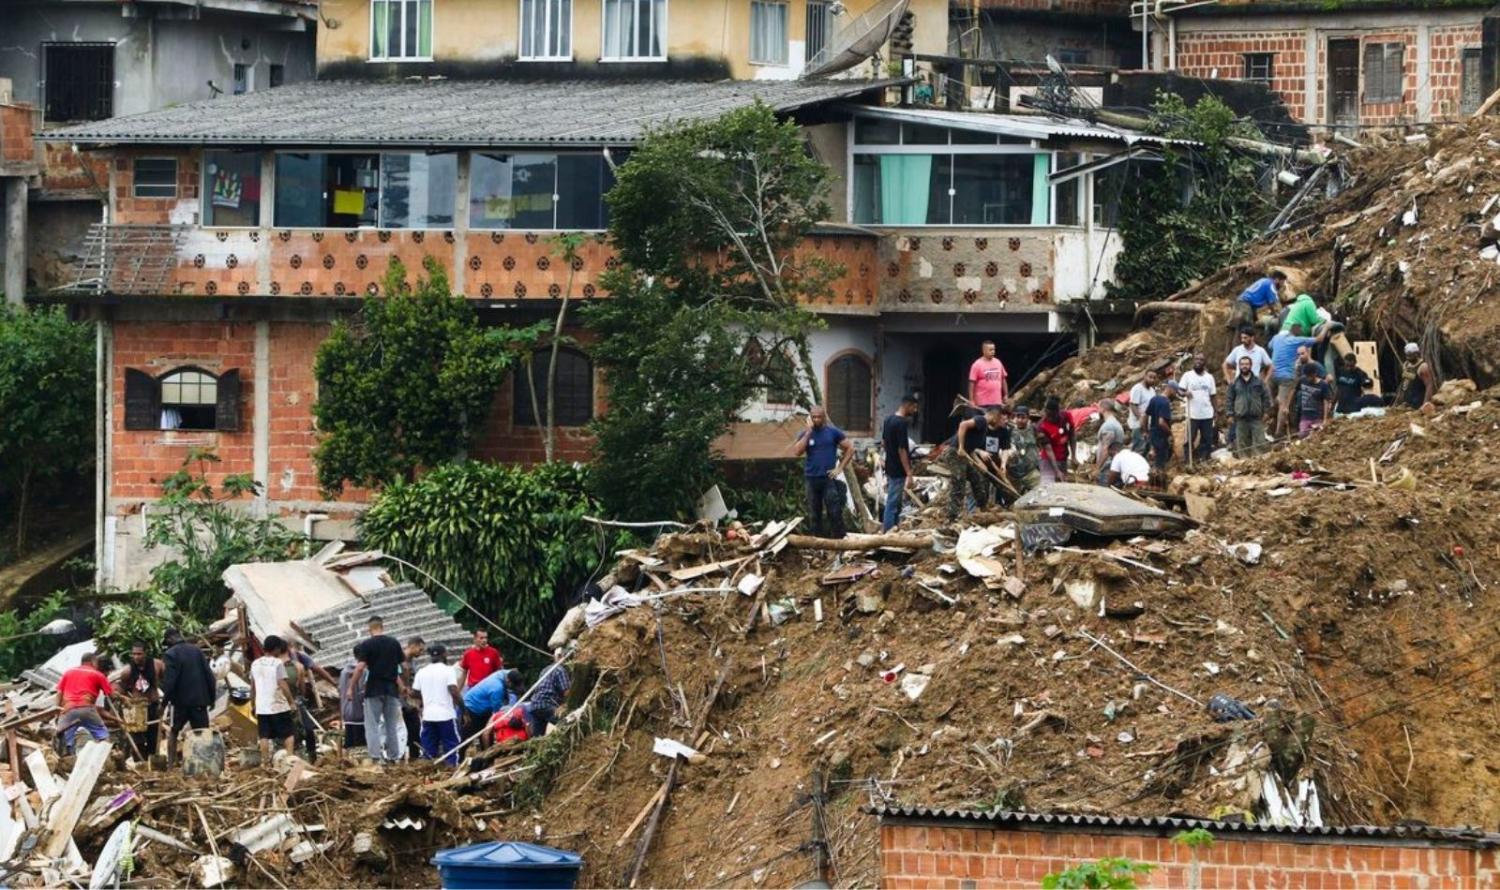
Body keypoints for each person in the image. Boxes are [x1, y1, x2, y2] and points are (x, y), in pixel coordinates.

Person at [345, 616, 406, 764]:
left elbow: (360, 667)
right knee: (391, 725)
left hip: (373, 689)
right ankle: (393, 757)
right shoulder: (394, 643)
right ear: (382, 626)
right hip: (391, 690)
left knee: (372, 725)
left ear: (369, 629)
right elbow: (403, 666)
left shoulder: (367, 644)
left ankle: (376, 758)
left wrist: (351, 687)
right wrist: (403, 686)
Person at [790, 406, 853, 539]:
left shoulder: (833, 432)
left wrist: (839, 468)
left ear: (824, 418)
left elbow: (850, 448)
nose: (816, 420)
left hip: (828, 478)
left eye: (819, 417)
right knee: (814, 513)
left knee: (834, 511)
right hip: (811, 479)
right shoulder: (805, 434)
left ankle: (839, 539)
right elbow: (797, 452)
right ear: (810, 418)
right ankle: (817, 541)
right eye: (814, 417)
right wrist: (808, 432)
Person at [161, 628, 215, 765]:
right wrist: (212, 698)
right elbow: (209, 675)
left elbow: (170, 682)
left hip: (180, 703)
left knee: (174, 731)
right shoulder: (197, 651)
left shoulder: (170, 654)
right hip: (199, 701)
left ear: (169, 640)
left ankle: (171, 764)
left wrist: (163, 704)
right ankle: (206, 764)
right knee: (203, 733)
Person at [1268, 323, 1329, 437]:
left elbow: (1270, 346)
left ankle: (1273, 413)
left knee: (1276, 401)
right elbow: (1320, 339)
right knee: (1284, 405)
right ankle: (1278, 433)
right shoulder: (1297, 340)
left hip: (1272, 374)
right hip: (1286, 377)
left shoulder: (1277, 338)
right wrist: (1327, 326)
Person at [950, 406, 1009, 519]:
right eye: (999, 419)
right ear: (995, 416)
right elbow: (963, 425)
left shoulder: (984, 429)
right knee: (959, 483)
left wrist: (980, 463)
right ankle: (952, 516)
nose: (998, 422)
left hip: (966, 455)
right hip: (954, 454)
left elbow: (971, 449)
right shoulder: (982, 420)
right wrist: (961, 447)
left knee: (977, 480)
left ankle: (983, 508)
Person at [110, 641, 163, 760]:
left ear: (146, 653)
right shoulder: (127, 671)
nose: (136, 657)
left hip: (153, 705)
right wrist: (116, 694)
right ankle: (140, 761)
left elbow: (167, 681)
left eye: (139, 654)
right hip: (137, 708)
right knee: (137, 738)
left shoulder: (157, 665)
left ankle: (152, 761)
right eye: (134, 654)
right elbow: (122, 689)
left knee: (153, 737)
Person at [411, 644, 463, 766]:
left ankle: (427, 772)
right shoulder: (448, 670)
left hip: (428, 716)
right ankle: (451, 770)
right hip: (446, 716)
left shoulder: (422, 671)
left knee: (428, 749)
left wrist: (426, 697)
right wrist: (464, 710)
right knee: (451, 747)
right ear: (444, 654)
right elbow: (453, 690)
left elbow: (414, 692)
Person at [250, 636, 297, 760]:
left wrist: (253, 704)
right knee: (288, 733)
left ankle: (265, 762)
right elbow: (282, 683)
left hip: (262, 706)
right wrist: (291, 702)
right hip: (278, 705)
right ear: (276, 649)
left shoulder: (255, 663)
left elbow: (253, 687)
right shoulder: (277, 663)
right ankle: (289, 759)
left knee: (264, 735)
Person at [57, 652, 113, 753]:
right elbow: (111, 694)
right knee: (102, 734)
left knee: (66, 739)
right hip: (86, 707)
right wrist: (123, 698)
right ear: (93, 662)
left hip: (68, 709)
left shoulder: (68, 672)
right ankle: (105, 755)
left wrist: (57, 710)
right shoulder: (98, 674)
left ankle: (68, 757)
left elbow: (59, 692)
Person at [880, 394, 919, 531]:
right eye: (914, 407)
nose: (915, 410)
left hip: (890, 466)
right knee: (893, 501)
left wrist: (889, 457)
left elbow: (884, 443)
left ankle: (894, 527)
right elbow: (902, 449)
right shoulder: (901, 423)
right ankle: (888, 530)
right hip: (898, 469)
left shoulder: (888, 420)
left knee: (895, 501)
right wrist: (909, 472)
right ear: (907, 405)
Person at [1227, 356, 1271, 457]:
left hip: (1256, 417)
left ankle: (1259, 461)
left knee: (1260, 442)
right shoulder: (1234, 383)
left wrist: (1266, 412)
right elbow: (1229, 399)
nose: (1244, 366)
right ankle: (1244, 462)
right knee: (1242, 444)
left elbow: (1266, 397)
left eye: (1246, 364)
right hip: (1241, 418)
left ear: (1251, 365)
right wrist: (1230, 414)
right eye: (1242, 364)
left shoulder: (1258, 382)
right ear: (1239, 366)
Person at [461, 667, 517, 743]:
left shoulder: (505, 673)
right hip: (472, 708)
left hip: (482, 707)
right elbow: (496, 713)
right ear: (509, 682)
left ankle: (486, 748)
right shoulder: (497, 688)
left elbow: (514, 671)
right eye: (513, 687)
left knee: (487, 735)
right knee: (468, 737)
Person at [1179, 354, 1218, 462]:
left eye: (1201, 359)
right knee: (1189, 439)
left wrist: (1215, 411)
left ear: (1204, 362)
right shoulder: (1187, 376)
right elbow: (1180, 390)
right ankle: (1188, 460)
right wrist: (1185, 393)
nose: (1198, 361)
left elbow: (1213, 395)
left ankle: (1203, 459)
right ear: (1194, 361)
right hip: (1192, 414)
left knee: (1207, 439)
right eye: (1197, 359)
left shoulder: (1209, 377)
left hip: (1207, 414)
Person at [527, 653, 572, 739]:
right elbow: (566, 692)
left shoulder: (545, 669)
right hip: (547, 703)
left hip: (534, 705)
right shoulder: (560, 670)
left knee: (537, 738)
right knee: (567, 724)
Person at [1230, 269, 1287, 336]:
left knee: (1251, 324)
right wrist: (1277, 315)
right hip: (1245, 304)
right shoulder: (1271, 285)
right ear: (1277, 280)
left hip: (1244, 302)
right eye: (1282, 282)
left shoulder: (1264, 280)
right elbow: (1273, 304)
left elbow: (1269, 302)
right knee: (1245, 329)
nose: (1282, 285)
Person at [1001, 405, 1041, 495]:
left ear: (1028, 418)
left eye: (1023, 417)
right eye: (1018, 417)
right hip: (1013, 473)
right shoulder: (1009, 431)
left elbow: (1041, 444)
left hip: (1030, 471)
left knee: (1040, 492)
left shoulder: (1033, 429)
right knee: (1013, 498)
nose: (1020, 420)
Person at [1036, 396, 1075, 484]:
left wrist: (1073, 456)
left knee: (1062, 486)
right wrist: (1057, 471)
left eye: (1053, 416)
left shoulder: (1066, 416)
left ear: (1058, 412)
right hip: (1048, 461)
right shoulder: (1041, 427)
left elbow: (1072, 435)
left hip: (1063, 458)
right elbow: (1049, 450)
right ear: (1046, 412)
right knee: (1047, 486)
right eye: (1048, 416)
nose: (1050, 418)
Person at [400, 636, 427, 760]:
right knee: (402, 733)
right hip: (400, 702)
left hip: (410, 703)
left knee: (414, 731)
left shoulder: (412, 662)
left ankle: (414, 758)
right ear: (412, 646)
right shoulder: (399, 660)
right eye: (420, 650)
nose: (421, 653)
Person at [1144, 382, 1179, 472]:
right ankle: (1157, 477)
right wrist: (1170, 432)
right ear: (1171, 389)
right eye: (1175, 391)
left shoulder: (1154, 399)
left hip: (1153, 433)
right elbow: (1161, 422)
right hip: (1161, 436)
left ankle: (1150, 475)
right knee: (1160, 463)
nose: (1175, 394)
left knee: (1152, 458)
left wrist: (1145, 430)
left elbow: (1145, 415)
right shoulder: (1165, 402)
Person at [1296, 360, 1334, 437]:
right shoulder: (1302, 380)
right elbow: (1293, 390)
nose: (1308, 378)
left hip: (1317, 417)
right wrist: (1286, 405)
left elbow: (1326, 402)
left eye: (1309, 376)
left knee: (1316, 436)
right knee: (1302, 435)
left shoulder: (1323, 385)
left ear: (1315, 374)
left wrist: (1325, 419)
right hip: (1305, 416)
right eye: (1306, 376)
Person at [968, 340, 1008, 409]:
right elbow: (971, 383)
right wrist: (971, 400)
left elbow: (1003, 379)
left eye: (994, 349)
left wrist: (1006, 394)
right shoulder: (977, 364)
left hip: (996, 401)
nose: (993, 352)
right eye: (990, 350)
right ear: (984, 351)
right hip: (982, 402)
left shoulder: (998, 362)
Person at [1396, 342, 1436, 410]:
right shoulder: (1406, 365)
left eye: (1410, 356)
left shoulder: (1423, 367)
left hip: (1417, 403)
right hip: (1407, 403)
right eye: (1407, 356)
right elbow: (1404, 383)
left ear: (1416, 354)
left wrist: (1424, 404)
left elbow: (1429, 385)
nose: (1408, 358)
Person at [1126, 370, 1159, 455]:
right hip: (1138, 424)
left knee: (1146, 448)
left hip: (1148, 424)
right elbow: (1133, 405)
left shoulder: (1152, 390)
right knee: (1138, 448)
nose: (1152, 380)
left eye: (1154, 378)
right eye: (1150, 377)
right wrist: (1140, 418)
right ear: (1144, 376)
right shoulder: (1138, 388)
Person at [338, 656, 366, 751]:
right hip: (361, 714)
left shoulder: (343, 673)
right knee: (361, 746)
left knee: (350, 743)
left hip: (347, 714)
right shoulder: (363, 671)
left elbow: (341, 690)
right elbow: (363, 690)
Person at [1094, 401, 1126, 485]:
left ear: (1103, 409)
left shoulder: (1108, 426)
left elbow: (1105, 450)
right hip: (1114, 467)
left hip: (1106, 469)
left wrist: (1097, 468)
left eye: (1099, 408)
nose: (1098, 410)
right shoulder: (1116, 424)